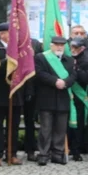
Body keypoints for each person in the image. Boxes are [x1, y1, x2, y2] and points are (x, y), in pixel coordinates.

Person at [33, 36, 76, 166]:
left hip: (63, 98)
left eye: (61, 45)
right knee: (45, 129)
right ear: (51, 45)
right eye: (56, 45)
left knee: (60, 129)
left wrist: (65, 82)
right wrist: (55, 81)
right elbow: (39, 73)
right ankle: (43, 154)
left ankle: (58, 153)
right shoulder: (41, 57)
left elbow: (74, 75)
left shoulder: (69, 60)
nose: (59, 47)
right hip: (47, 98)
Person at [0, 22, 25, 166]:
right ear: (1, 34)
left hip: (16, 93)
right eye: (5, 33)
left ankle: (12, 153)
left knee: (14, 126)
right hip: (0, 93)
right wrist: (9, 61)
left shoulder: (19, 49)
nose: (8, 36)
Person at [69, 36, 88, 160]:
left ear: (82, 48)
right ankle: (68, 147)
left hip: (79, 96)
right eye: (72, 47)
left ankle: (77, 150)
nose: (73, 49)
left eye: (76, 47)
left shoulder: (87, 60)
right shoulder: (67, 58)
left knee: (78, 124)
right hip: (67, 94)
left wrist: (76, 70)